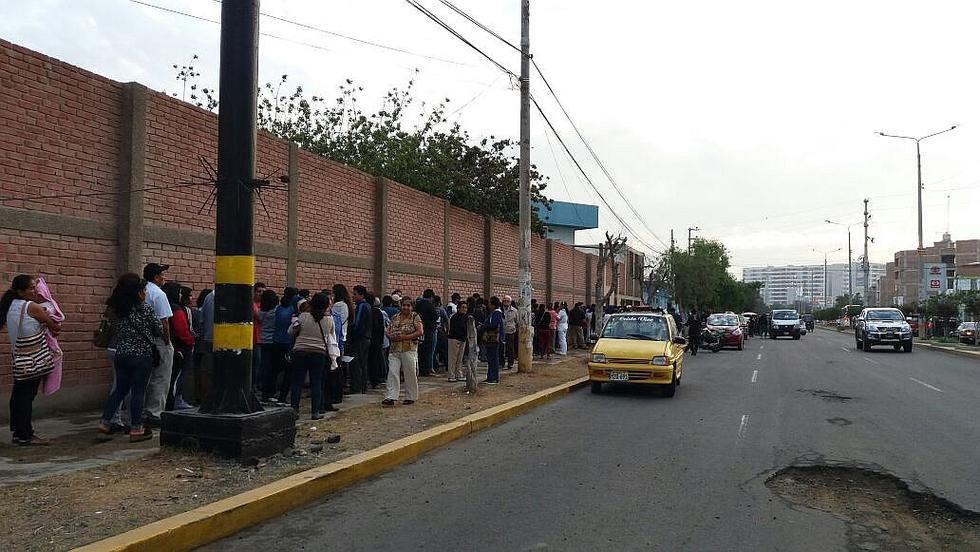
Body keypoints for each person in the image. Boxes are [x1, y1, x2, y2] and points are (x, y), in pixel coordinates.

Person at [96, 273, 159, 443]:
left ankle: (104, 423)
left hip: (121, 353)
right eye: (144, 290)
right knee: (138, 392)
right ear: (138, 293)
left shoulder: (117, 309)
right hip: (141, 355)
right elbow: (157, 329)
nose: (145, 292)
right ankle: (136, 428)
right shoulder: (144, 308)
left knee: (119, 390)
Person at [2, 275, 61, 445]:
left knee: (19, 394)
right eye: (31, 288)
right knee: (26, 396)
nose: (35, 291)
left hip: (19, 358)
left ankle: (18, 431)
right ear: (20, 291)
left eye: (35, 287)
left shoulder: (11, 305)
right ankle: (25, 434)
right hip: (33, 359)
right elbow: (54, 327)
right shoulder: (31, 307)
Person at [287, 292, 339, 419]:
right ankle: (315, 412)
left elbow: (290, 332)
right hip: (318, 353)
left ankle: (294, 410)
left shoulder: (303, 317)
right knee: (316, 383)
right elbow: (331, 336)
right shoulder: (329, 320)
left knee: (297, 382)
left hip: (300, 351)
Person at [141, 263, 173, 427]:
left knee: (144, 378)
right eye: (162, 274)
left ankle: (139, 411)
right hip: (158, 340)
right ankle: (154, 412)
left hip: (142, 339)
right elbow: (164, 321)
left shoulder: (142, 291)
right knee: (161, 377)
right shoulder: (158, 294)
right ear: (156, 277)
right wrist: (167, 342)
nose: (164, 277)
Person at [383, 297, 423, 406]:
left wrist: (405, 337)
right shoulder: (395, 317)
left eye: (408, 305)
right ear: (400, 305)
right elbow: (388, 330)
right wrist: (390, 336)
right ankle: (391, 397)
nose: (405, 307)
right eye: (404, 305)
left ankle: (411, 396)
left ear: (412, 306)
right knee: (392, 372)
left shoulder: (415, 317)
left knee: (410, 372)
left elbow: (420, 332)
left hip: (408, 348)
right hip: (394, 349)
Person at [162, 282, 195, 411]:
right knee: (177, 377)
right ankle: (175, 400)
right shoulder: (176, 309)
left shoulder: (166, 306)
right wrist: (190, 341)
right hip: (180, 348)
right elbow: (182, 330)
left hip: (172, 346)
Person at [265, 286, 297, 403]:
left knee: (273, 369)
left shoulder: (278, 309)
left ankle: (268, 393)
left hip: (276, 341)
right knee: (288, 372)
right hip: (288, 343)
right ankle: (283, 396)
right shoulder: (293, 311)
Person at [35, 278, 65, 396]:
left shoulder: (47, 305)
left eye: (40, 295)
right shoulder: (33, 306)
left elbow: (50, 312)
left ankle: (50, 385)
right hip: (42, 338)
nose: (38, 297)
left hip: (48, 335)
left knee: (56, 355)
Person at [347, 285, 373, 394]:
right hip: (365, 338)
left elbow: (357, 324)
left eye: (355, 294)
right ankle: (362, 386)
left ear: (361, 295)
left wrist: (352, 335)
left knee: (356, 364)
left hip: (360, 339)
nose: (353, 296)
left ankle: (356, 387)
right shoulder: (366, 306)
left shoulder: (362, 306)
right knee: (363, 364)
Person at [256, 289, 278, 401]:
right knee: (272, 368)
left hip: (263, 340)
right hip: (273, 341)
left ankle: (264, 392)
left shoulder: (261, 312)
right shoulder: (275, 311)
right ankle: (271, 391)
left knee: (264, 366)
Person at [415, 289, 438, 376]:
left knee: (420, 351)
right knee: (429, 351)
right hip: (428, 330)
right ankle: (427, 370)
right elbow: (435, 316)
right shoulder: (429, 305)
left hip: (419, 330)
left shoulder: (418, 304)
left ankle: (420, 369)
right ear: (431, 297)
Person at [482, 296, 505, 384]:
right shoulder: (493, 313)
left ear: (493, 305)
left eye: (489, 304)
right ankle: (490, 376)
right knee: (490, 358)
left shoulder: (497, 314)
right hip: (490, 339)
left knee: (493, 358)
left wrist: (484, 326)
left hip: (493, 339)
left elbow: (494, 325)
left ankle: (494, 377)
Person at [447, 299, 469, 382]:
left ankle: (458, 374)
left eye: (466, 307)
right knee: (453, 358)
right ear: (458, 308)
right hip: (454, 339)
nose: (464, 309)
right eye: (463, 307)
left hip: (462, 340)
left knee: (460, 359)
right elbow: (456, 329)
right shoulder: (455, 317)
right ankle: (451, 375)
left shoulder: (465, 317)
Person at [368, 294, 387, 388]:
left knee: (371, 360)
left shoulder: (368, 311)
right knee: (375, 360)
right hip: (376, 340)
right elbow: (381, 327)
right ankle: (374, 380)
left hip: (370, 339)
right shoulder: (378, 312)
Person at [252, 282, 266, 392]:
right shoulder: (253, 305)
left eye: (263, 292)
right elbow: (260, 317)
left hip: (263, 338)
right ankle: (254, 386)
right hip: (254, 338)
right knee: (256, 363)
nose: (261, 294)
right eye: (259, 291)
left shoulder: (264, 305)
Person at [501, 295, 518, 370]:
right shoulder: (500, 310)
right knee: (501, 348)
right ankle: (501, 363)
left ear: (510, 302)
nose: (506, 302)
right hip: (501, 331)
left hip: (510, 331)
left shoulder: (514, 311)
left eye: (507, 301)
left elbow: (517, 321)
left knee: (510, 348)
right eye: (504, 301)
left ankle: (510, 363)